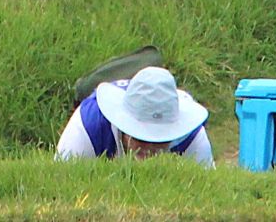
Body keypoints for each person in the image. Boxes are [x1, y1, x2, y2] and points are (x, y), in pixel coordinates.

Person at [55, 66, 213, 164]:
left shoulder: (191, 135)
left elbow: (208, 198)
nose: (151, 149)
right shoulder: (89, 125)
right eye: (142, 139)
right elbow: (59, 187)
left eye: (161, 141)